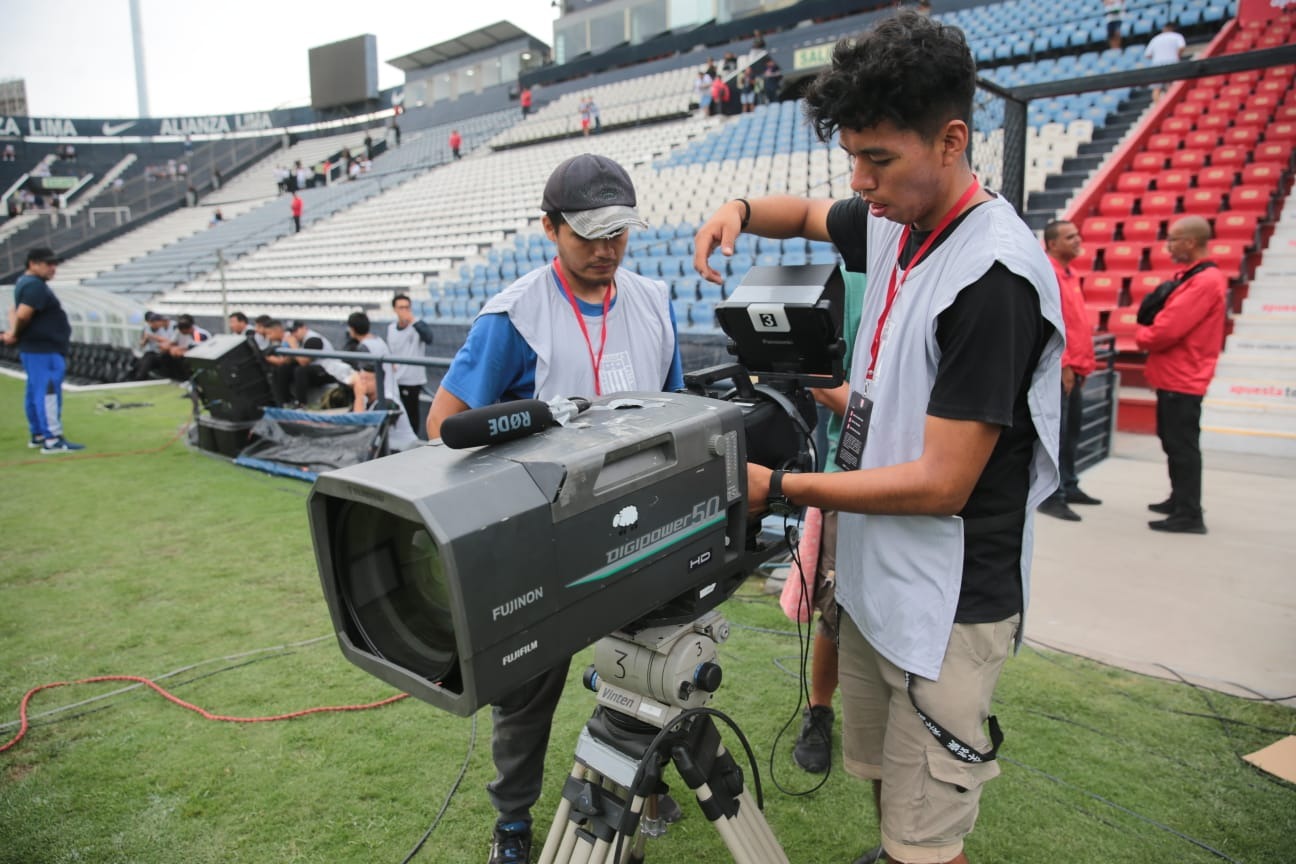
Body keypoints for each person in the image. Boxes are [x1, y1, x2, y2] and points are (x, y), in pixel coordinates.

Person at [692, 13, 1063, 863]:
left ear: (951, 140)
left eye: (878, 159)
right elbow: (808, 216)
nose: (859, 181)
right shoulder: (899, 211)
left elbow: (942, 482)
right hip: (875, 580)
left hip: (947, 603)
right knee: (888, 784)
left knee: (927, 832)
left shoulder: (993, 278)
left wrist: (779, 490)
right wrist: (739, 209)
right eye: (852, 157)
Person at [426, 153, 685, 864]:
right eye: (588, 235)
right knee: (526, 695)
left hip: (642, 530)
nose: (606, 251)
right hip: (544, 542)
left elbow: (679, 413)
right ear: (549, 227)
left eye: (619, 235)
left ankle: (648, 788)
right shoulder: (513, 318)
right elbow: (440, 426)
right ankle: (512, 822)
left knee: (653, 671)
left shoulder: (655, 300)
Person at [1135, 215, 1225, 535]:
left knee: (1182, 445)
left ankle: (1189, 513)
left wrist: (1142, 336)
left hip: (1183, 377)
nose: (1169, 246)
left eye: (1173, 239)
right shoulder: (1194, 277)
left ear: (1190, 242)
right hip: (1175, 375)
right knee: (1173, 442)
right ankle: (1180, 499)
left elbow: (1167, 329)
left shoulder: (1204, 281)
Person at [1038, 220, 1101, 522]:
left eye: (1077, 235)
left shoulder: (1070, 273)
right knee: (1058, 435)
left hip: (1078, 367)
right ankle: (1053, 495)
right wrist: (1063, 365)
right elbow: (1052, 323)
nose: (1078, 240)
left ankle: (1070, 484)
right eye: (1069, 237)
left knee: (1072, 431)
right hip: (1063, 369)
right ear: (1051, 244)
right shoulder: (1048, 271)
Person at [4, 247, 84, 453]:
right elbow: (22, 314)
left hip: (37, 348)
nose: (53, 268)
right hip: (43, 349)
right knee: (47, 392)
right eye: (48, 264)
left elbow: (13, 311)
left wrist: (14, 332)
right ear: (33, 264)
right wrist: (15, 332)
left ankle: (39, 433)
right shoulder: (35, 286)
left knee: (35, 391)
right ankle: (52, 439)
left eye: (54, 264)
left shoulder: (25, 283)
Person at [386, 293, 433, 434]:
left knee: (412, 415)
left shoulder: (418, 325)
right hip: (396, 379)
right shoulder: (391, 328)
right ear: (394, 309)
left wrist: (413, 320)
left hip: (412, 380)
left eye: (407, 307)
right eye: (401, 307)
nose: (404, 311)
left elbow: (429, 338)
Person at [273, 320, 336, 408]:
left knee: (300, 370)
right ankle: (285, 401)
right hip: (314, 371)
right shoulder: (298, 340)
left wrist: (293, 346)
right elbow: (287, 361)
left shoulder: (313, 338)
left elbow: (304, 362)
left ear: (304, 328)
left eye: (296, 331)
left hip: (328, 371)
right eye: (291, 332)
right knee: (283, 369)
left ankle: (302, 404)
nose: (294, 334)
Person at [1144, 22, 1187, 99]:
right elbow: (1182, 47)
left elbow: (1148, 55)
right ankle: (1171, 103)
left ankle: (1157, 106)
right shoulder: (1177, 36)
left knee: (1156, 88)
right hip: (1172, 62)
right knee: (1170, 85)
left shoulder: (1156, 38)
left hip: (1157, 64)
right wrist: (1177, 55)